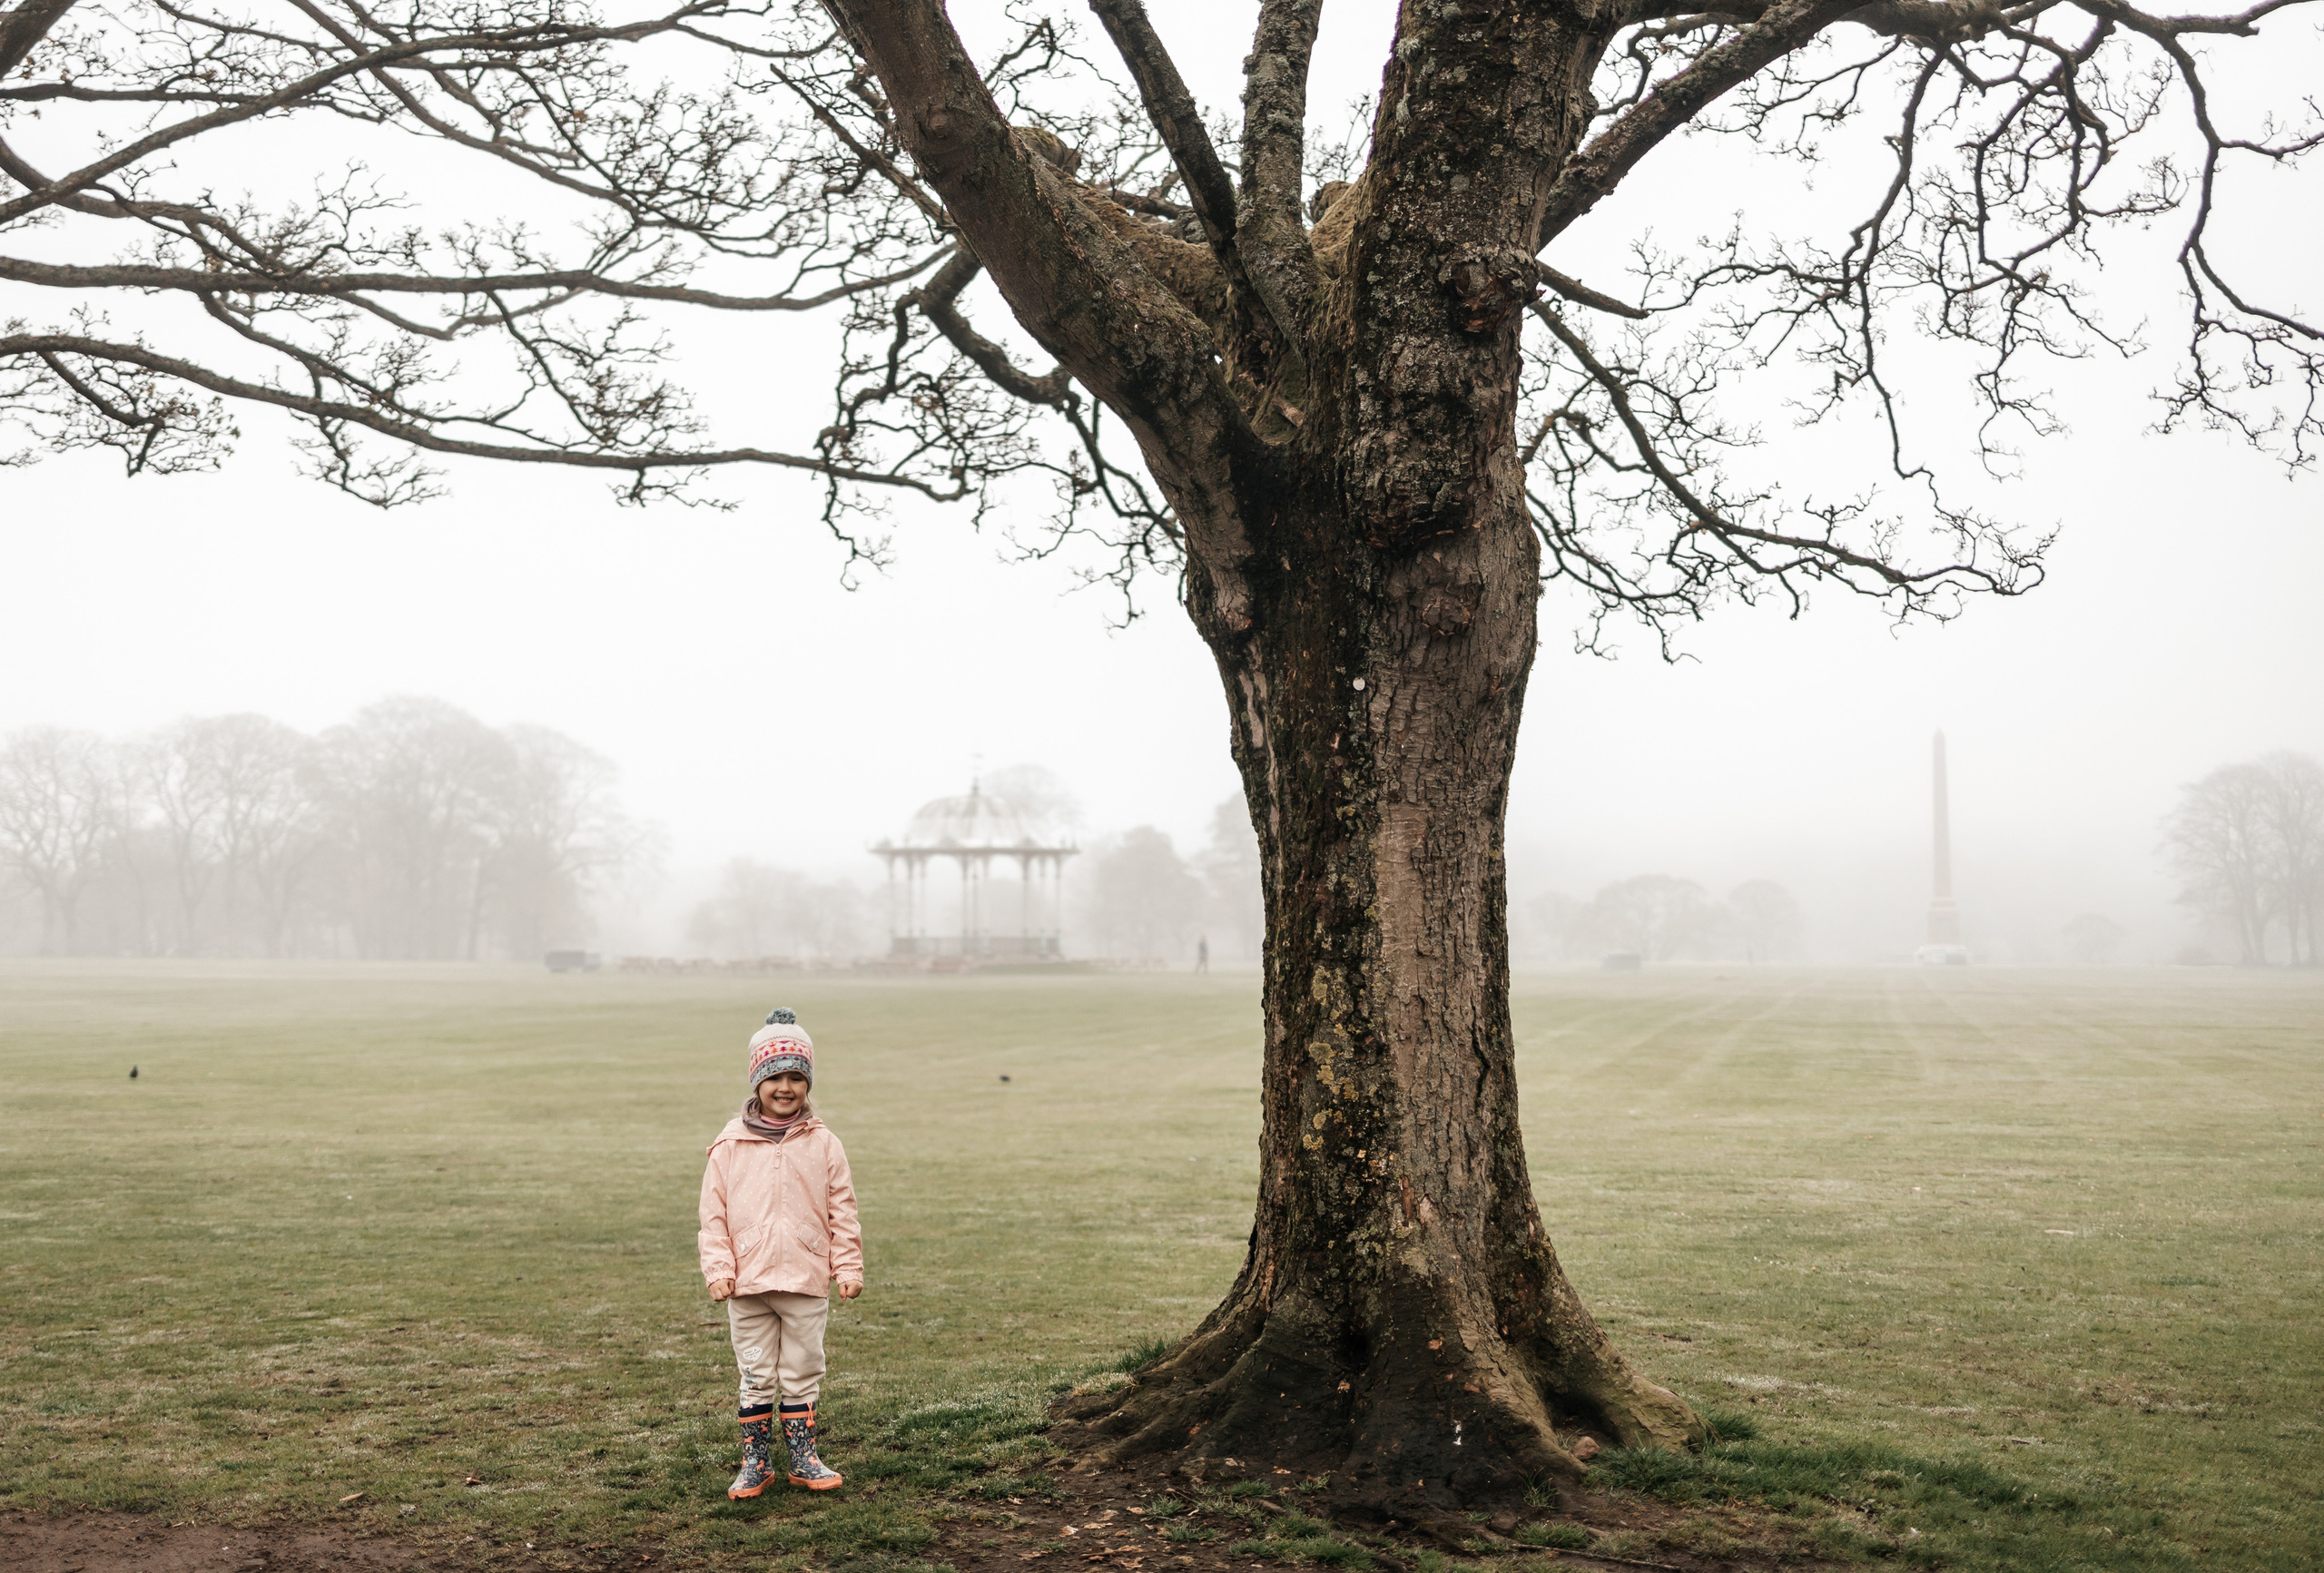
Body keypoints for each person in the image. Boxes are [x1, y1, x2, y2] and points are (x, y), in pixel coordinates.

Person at [699, 1007, 863, 1497]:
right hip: (747, 1288)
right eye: (775, 1077)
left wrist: (848, 1265)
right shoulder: (728, 1146)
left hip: (805, 1283)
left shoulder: (825, 1143)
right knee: (755, 1373)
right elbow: (713, 1217)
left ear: (808, 1083)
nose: (785, 1087)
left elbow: (843, 1210)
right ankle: (754, 1461)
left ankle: (803, 1456)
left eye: (797, 1077)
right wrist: (719, 1270)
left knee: (802, 1371)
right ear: (757, 1082)